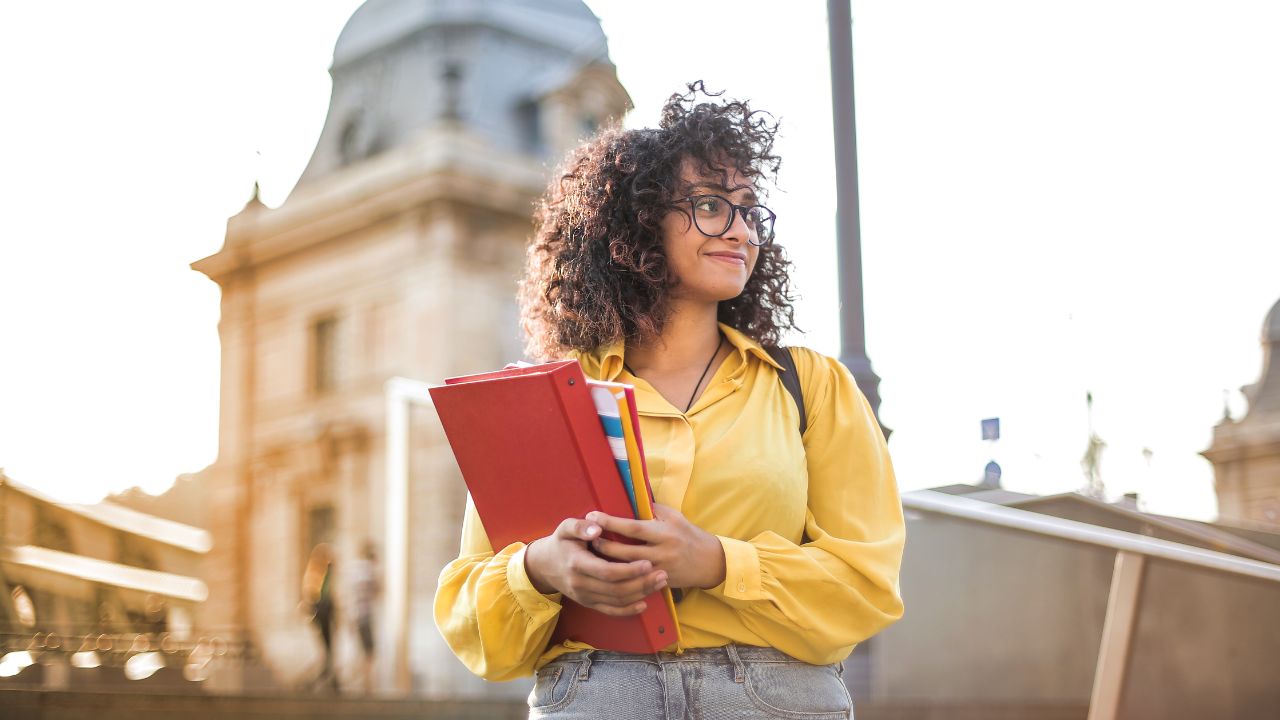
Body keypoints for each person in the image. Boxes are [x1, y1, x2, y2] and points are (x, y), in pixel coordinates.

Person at [434, 82, 905, 719]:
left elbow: (867, 587)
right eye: (710, 204)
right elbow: (473, 623)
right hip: (596, 695)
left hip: (775, 698)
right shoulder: (546, 400)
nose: (739, 228)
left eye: (749, 209)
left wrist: (716, 562)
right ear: (637, 223)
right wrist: (542, 570)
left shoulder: (811, 386)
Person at [301, 542, 339, 692]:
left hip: (325, 613)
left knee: (329, 648)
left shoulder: (324, 573)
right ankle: (329, 678)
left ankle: (331, 678)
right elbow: (313, 596)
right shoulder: (316, 574)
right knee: (327, 648)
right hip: (322, 612)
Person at [349, 540, 380, 694]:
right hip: (365, 616)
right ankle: (366, 685)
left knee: (362, 650)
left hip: (356, 615)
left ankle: (363, 683)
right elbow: (377, 589)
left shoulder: (355, 570)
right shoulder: (368, 571)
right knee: (369, 651)